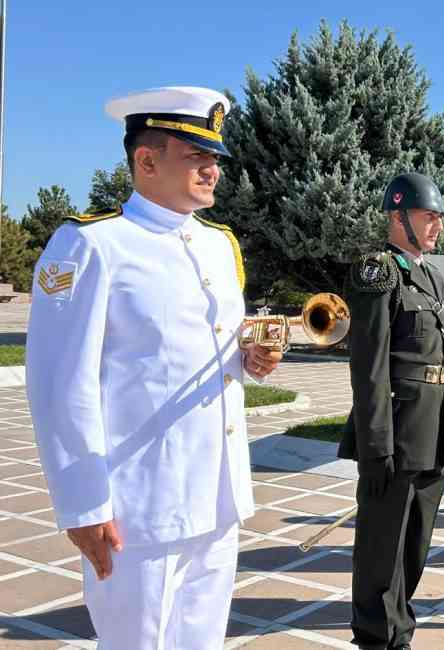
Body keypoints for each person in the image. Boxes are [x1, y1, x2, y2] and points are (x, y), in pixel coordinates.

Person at [26, 86, 283, 649]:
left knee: (202, 641)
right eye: (197, 157)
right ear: (146, 161)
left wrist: (247, 358)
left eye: (215, 159)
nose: (213, 170)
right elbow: (58, 384)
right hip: (137, 507)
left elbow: (202, 349)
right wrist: (82, 504)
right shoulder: (91, 245)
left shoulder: (219, 246)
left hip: (216, 495)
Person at [338, 172, 444, 649]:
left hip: (432, 428)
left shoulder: (430, 275)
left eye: (438, 219)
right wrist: (376, 445)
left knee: (414, 546)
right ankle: (374, 635)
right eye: (429, 217)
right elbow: (369, 369)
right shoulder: (377, 271)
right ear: (398, 215)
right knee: (381, 547)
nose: (437, 227)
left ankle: (398, 630)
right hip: (398, 433)